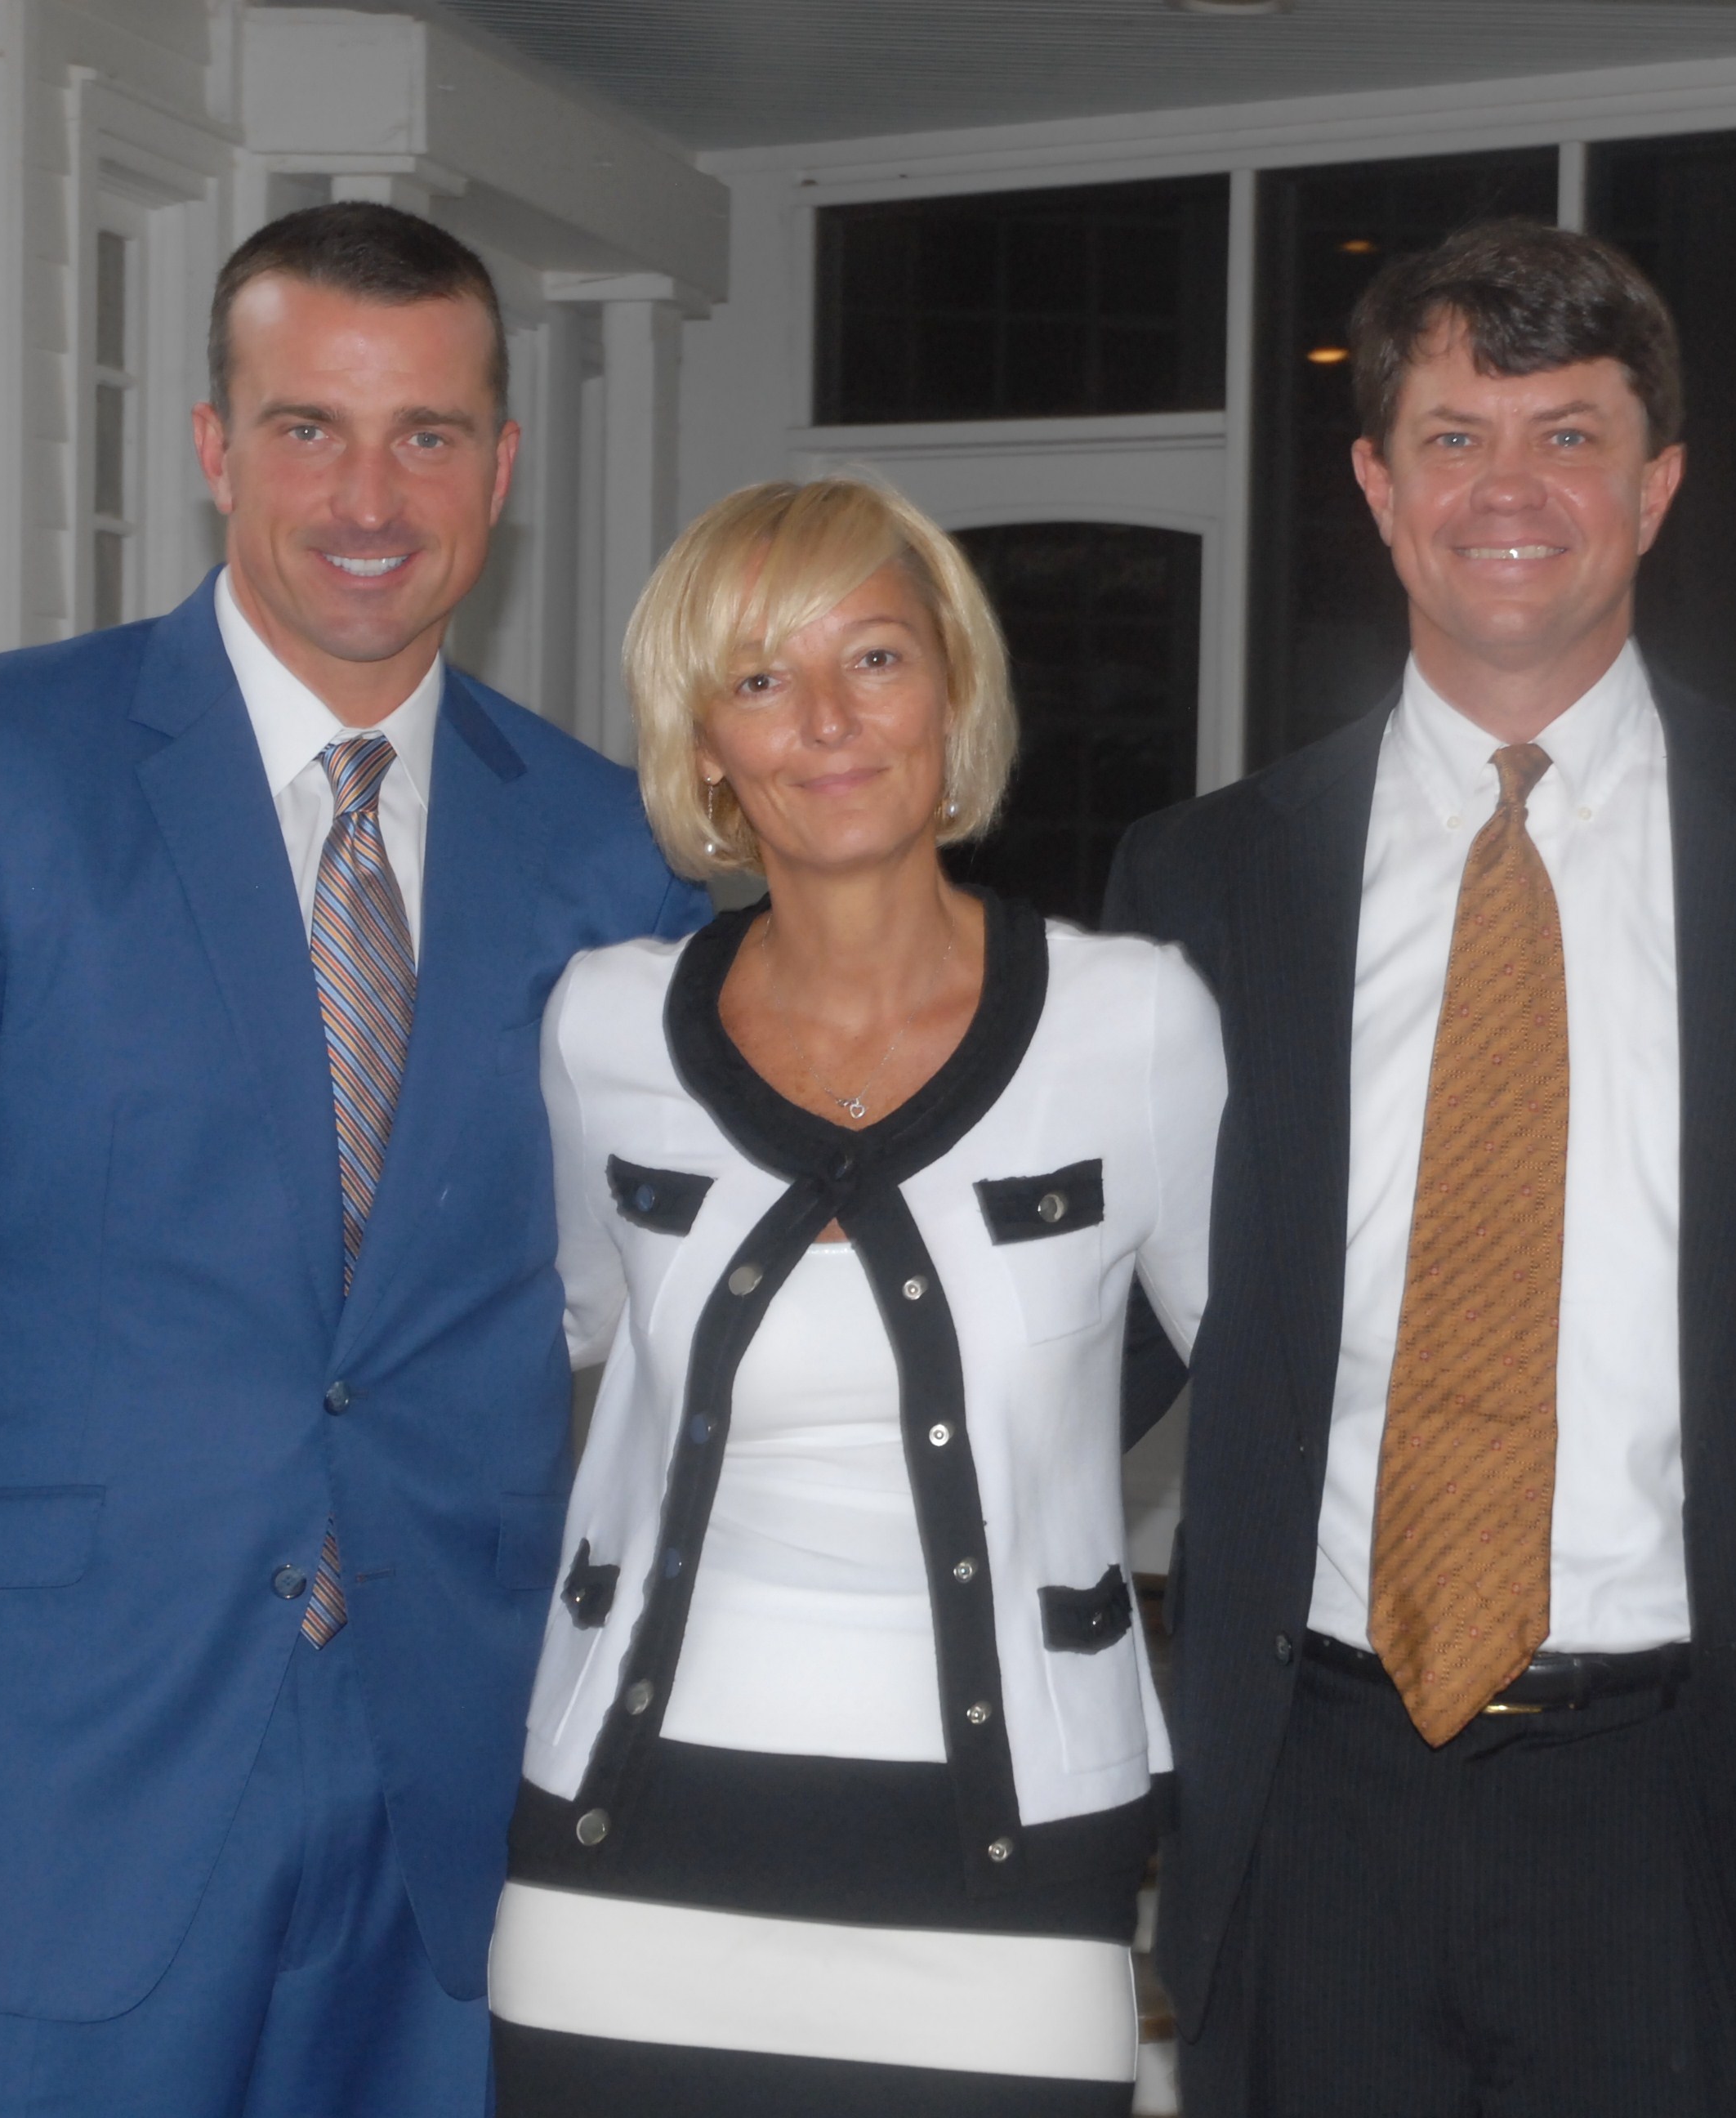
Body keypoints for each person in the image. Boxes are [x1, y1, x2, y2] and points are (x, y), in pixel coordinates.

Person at [0, 203, 702, 2114]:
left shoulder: (609, 851)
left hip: (451, 1841)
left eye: (425, 433)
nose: (368, 493)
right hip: (36, 1828)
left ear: (500, 466)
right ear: (208, 446)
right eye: (307, 425)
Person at [1106, 221, 1736, 2116]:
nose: (1509, 489)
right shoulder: (1202, 883)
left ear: (1654, 488)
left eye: (1566, 437)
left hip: (1702, 1817)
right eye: (1455, 435)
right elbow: (1091, 1337)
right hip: (1309, 1797)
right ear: (1376, 485)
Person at [484, 476, 1222, 2116]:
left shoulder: (1136, 1025)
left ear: (951, 689)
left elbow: (1271, 1393)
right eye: (760, 679)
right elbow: (549, 1340)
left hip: (1012, 1847)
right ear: (703, 748)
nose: (825, 720)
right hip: (627, 1838)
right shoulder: (602, 1026)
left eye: (874, 659)